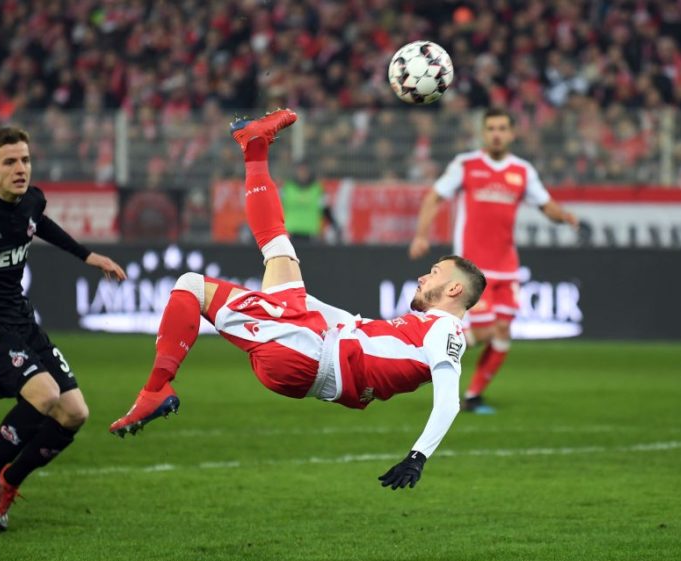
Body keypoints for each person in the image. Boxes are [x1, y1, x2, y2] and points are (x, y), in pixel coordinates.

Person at [109, 109, 486, 491]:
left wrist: (417, 456)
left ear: (455, 289)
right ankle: (254, 146)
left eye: (435, 273)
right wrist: (309, 303)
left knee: (190, 285)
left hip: (305, 352)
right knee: (278, 249)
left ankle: (156, 389)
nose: (424, 276)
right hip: (309, 345)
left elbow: (448, 401)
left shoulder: (445, 331)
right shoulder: (424, 328)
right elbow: (358, 336)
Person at [0, 126, 126, 531]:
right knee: (44, 394)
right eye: (10, 162)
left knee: (75, 412)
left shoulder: (32, 199)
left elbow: (38, 224)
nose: (20, 168)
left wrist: (88, 256)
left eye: (25, 160)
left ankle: (7, 484)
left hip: (22, 320)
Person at [409, 108, 578, 414]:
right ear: (483, 133)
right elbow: (434, 197)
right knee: (485, 332)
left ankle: (472, 396)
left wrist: (564, 216)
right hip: (473, 269)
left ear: (512, 133)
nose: (497, 133)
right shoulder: (466, 165)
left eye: (502, 128)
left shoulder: (522, 171)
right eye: (491, 128)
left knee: (503, 333)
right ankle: (423, 355)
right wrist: (421, 234)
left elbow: (545, 205)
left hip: (508, 268)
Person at [279, 161, 340, 242]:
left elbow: (326, 210)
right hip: (290, 234)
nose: (302, 173)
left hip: (311, 235)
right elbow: (277, 209)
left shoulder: (318, 189)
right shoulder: (287, 188)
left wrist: (334, 225)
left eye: (305, 171)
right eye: (300, 170)